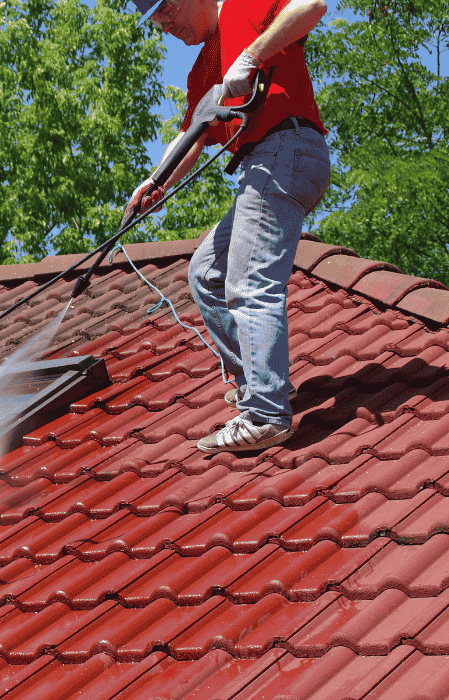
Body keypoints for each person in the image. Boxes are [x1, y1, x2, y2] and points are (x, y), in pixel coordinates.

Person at [124, 0, 331, 454]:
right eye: (157, 21)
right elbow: (192, 136)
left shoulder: (245, 5)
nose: (167, 25)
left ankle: (265, 414)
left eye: (168, 10)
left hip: (287, 149)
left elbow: (312, 5)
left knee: (249, 282)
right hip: (267, 163)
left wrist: (253, 55)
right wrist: (155, 182)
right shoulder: (202, 71)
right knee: (206, 274)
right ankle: (259, 381)